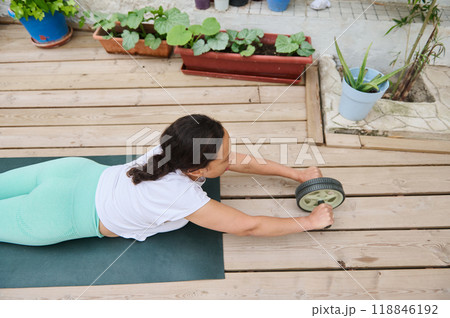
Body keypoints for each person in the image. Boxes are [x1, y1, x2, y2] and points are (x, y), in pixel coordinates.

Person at [0, 114, 334, 246]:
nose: (234, 159)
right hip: (55, 215)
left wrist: (298, 174)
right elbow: (247, 226)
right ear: (198, 171)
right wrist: (310, 221)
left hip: (72, 172)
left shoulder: (174, 147)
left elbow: (240, 162)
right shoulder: (183, 197)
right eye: (226, 157)